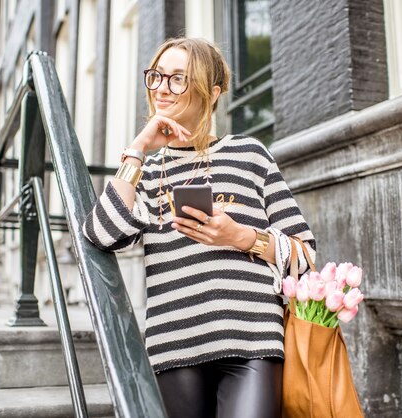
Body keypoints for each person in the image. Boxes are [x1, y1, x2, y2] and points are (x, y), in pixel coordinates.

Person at [83, 37, 315, 418]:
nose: (161, 87)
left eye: (178, 79)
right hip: (175, 347)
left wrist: (242, 237)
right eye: (156, 76)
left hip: (252, 340)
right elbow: (101, 233)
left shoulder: (250, 155)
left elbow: (305, 256)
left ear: (212, 91)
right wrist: (139, 148)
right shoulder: (150, 170)